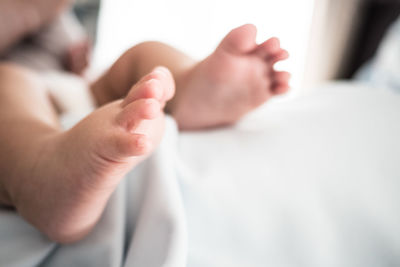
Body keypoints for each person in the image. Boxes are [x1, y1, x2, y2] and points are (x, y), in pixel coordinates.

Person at [0, 0, 290, 243]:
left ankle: (190, 86)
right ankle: (45, 173)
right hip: (21, 103)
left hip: (78, 89)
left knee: (140, 57)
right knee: (8, 81)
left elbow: (68, 43)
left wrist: (71, 46)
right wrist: (27, 11)